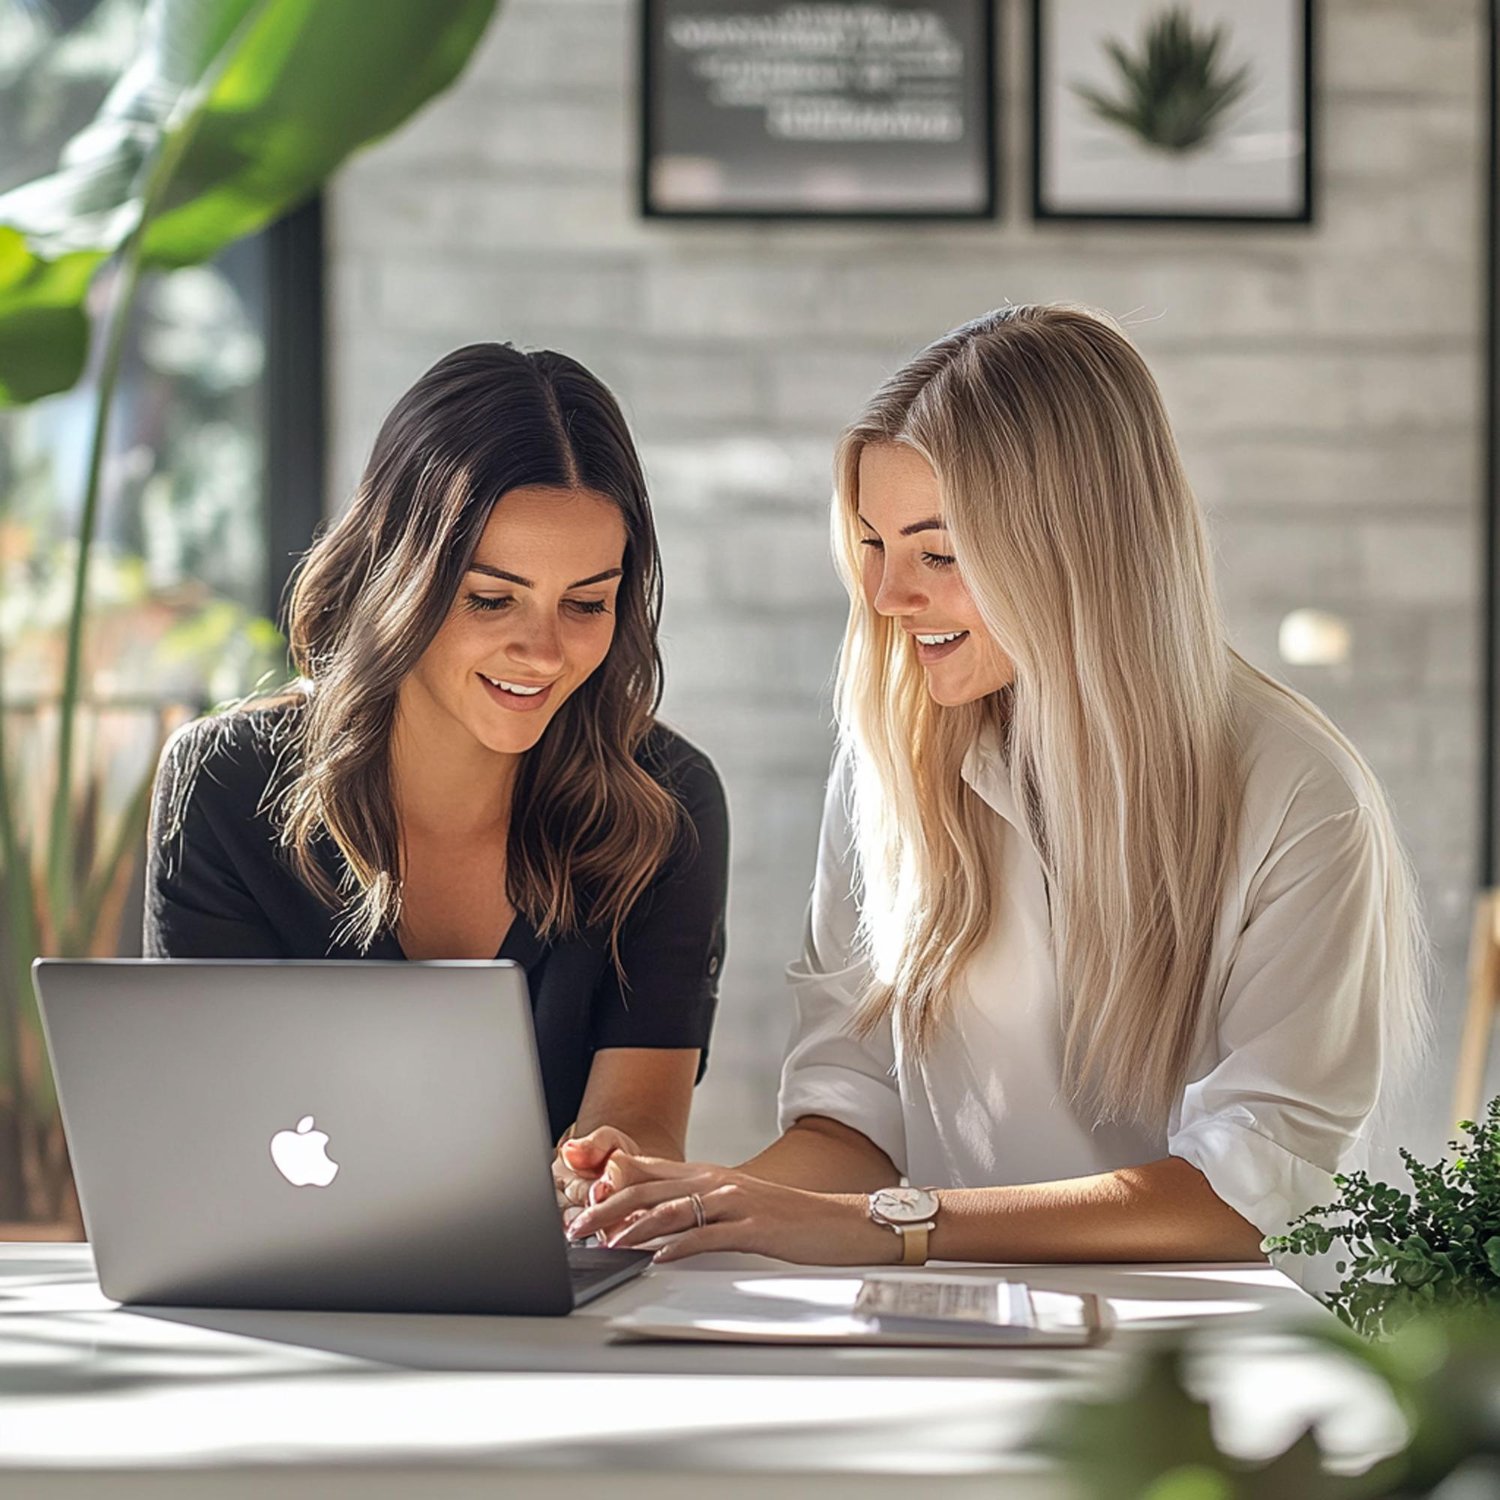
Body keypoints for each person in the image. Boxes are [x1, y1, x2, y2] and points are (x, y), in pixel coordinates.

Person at [562, 304, 1427, 1271]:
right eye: (875, 546)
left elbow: (1252, 1187)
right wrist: (701, 1202)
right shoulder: (891, 760)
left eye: (940, 553)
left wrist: (889, 1227)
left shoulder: (1300, 797)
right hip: (941, 1315)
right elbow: (859, 1119)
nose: (889, 598)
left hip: (1186, 1361)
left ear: (1077, 553)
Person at [146, 342, 729, 1172]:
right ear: (398, 576)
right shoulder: (223, 784)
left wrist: (604, 1179)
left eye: (587, 603)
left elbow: (638, 1126)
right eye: (492, 599)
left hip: (544, 1289)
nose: (544, 652)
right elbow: (199, 1133)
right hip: (281, 1289)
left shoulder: (663, 802)